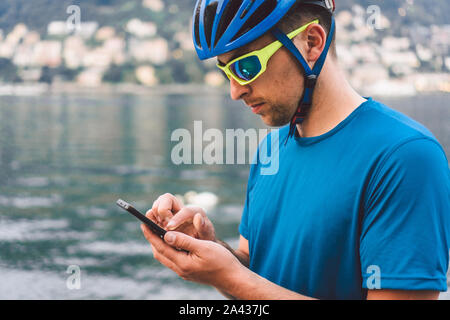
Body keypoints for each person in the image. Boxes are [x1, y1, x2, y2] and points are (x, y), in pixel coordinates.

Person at [141, 0, 450, 299]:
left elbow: (244, 283)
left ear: (311, 43)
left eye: (246, 66)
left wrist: (231, 276)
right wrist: (211, 247)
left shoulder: (405, 157)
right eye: (227, 73)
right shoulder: (269, 151)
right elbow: (256, 275)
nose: (235, 91)